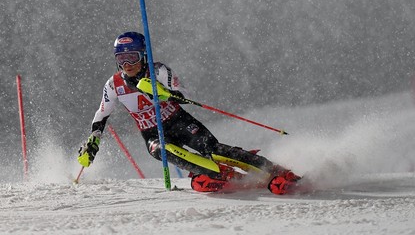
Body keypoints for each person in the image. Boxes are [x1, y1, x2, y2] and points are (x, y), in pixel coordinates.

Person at [77, 32, 300, 194]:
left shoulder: (158, 71)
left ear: (143, 55)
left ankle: (273, 169)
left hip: (178, 122)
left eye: (132, 57)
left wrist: (161, 92)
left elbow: (182, 92)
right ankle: (222, 175)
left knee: (213, 150)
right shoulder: (113, 85)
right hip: (153, 133)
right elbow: (102, 114)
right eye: (121, 59)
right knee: (162, 150)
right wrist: (93, 140)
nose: (127, 64)